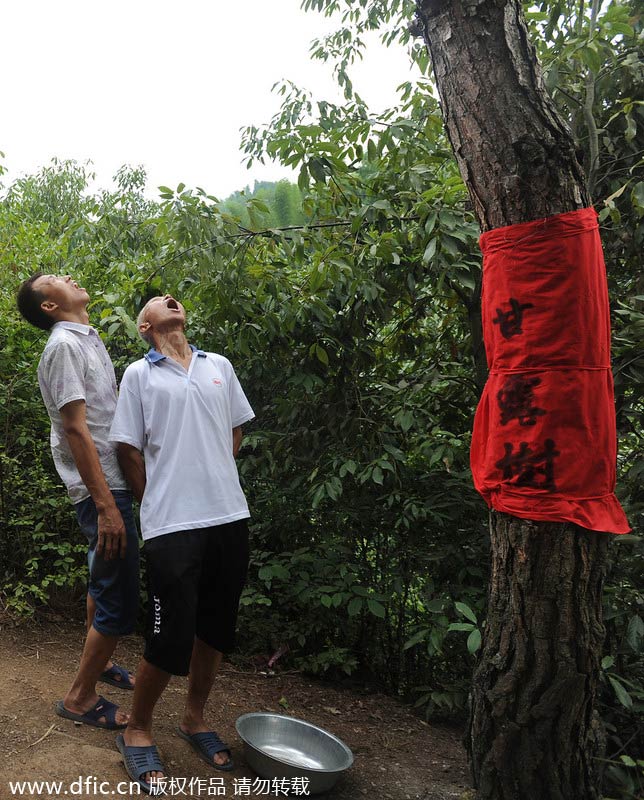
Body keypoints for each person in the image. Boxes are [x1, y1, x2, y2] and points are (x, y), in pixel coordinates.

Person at [109, 293, 254, 793]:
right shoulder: (138, 375)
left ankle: (193, 719)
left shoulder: (219, 366)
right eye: (158, 302)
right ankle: (137, 727)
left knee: (215, 629)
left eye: (175, 298)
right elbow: (127, 448)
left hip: (230, 515)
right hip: (171, 524)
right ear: (145, 325)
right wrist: (159, 500)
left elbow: (234, 431)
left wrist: (210, 471)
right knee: (169, 632)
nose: (171, 300)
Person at [16, 272, 139, 730]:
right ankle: (80, 698)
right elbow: (74, 428)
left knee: (101, 578)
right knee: (118, 597)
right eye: (54, 279)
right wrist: (105, 504)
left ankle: (100, 667)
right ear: (49, 306)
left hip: (109, 479)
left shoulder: (86, 338)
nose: (66, 276)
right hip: (101, 486)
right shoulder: (64, 346)